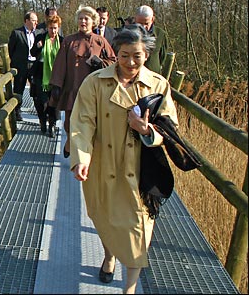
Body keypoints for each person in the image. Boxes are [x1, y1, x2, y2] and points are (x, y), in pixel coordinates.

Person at [69, 26, 178, 294]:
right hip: (102, 164)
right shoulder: (95, 82)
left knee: (138, 226)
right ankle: (109, 255)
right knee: (105, 218)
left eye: (137, 57)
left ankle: (129, 288)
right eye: (125, 55)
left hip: (140, 169)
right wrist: (81, 158)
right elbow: (82, 123)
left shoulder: (158, 84)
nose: (130, 63)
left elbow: (170, 127)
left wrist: (146, 130)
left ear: (147, 55)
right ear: (116, 53)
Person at [49, 5, 116, 158]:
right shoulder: (68, 41)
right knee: (71, 122)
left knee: (91, 122)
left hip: (93, 89)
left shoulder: (100, 41)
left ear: (93, 21)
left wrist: (101, 64)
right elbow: (60, 64)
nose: (83, 22)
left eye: (86, 19)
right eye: (80, 19)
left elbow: (113, 61)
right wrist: (56, 85)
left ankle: (86, 152)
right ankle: (70, 143)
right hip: (72, 87)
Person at [30, 14, 63, 136]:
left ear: (58, 28)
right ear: (47, 28)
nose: (53, 31)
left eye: (55, 28)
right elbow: (32, 53)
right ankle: (42, 120)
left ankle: (52, 125)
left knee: (54, 102)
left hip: (56, 75)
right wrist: (38, 47)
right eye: (50, 28)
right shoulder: (41, 37)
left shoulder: (62, 41)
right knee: (42, 102)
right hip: (41, 74)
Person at [8, 11, 39, 121]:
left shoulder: (38, 33)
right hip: (21, 65)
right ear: (26, 21)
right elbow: (11, 50)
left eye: (36, 20)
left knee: (36, 88)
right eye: (33, 20)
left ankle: (39, 111)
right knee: (18, 89)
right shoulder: (17, 33)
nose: (36, 22)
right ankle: (17, 111)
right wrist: (17, 62)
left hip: (34, 65)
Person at [134, 5, 168, 74]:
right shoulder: (127, 33)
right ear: (135, 19)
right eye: (140, 23)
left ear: (152, 19)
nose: (143, 27)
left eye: (146, 23)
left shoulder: (160, 34)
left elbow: (163, 56)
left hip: (153, 75)